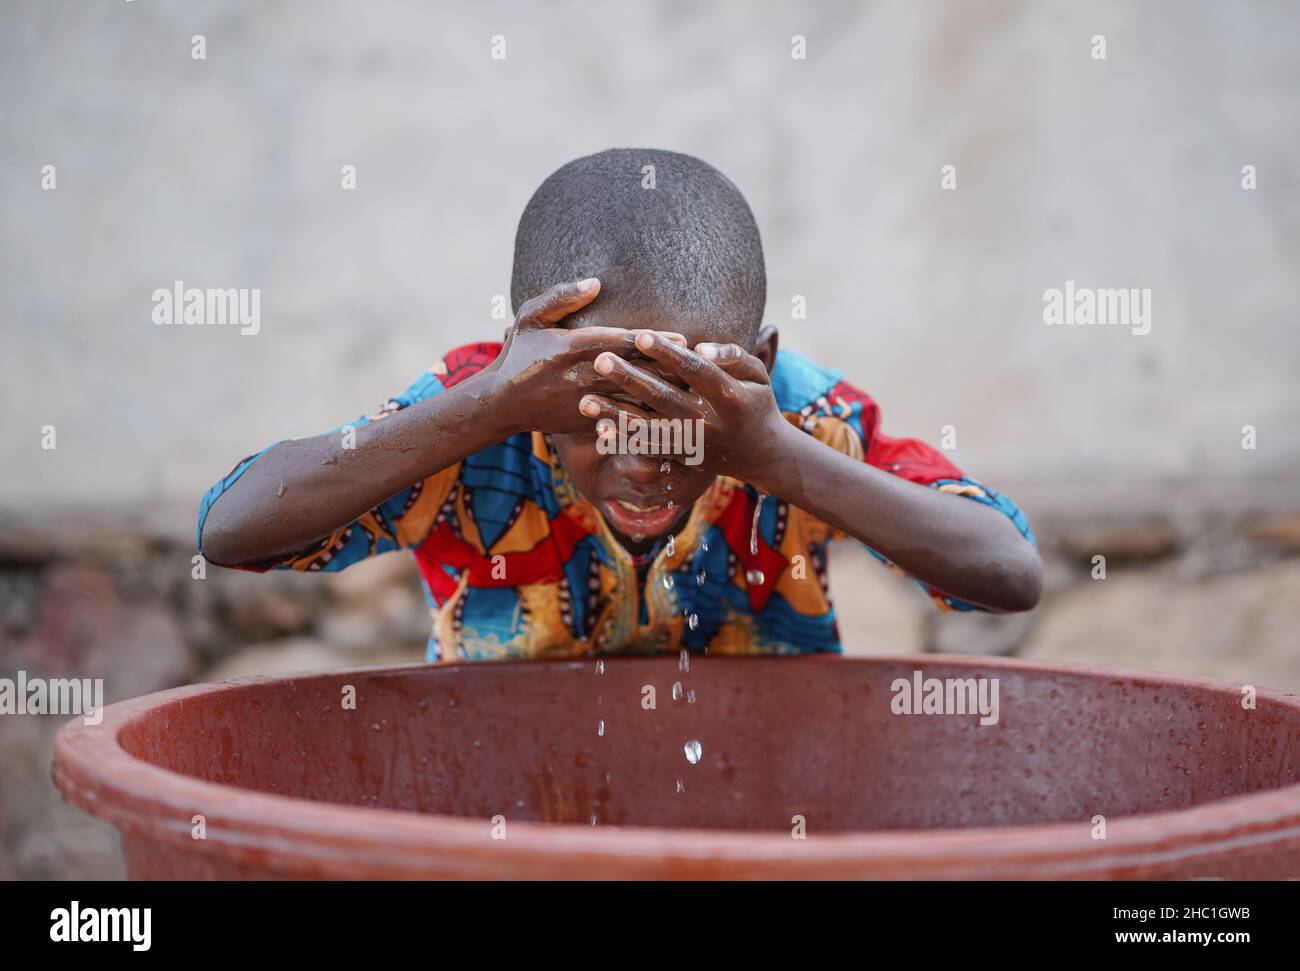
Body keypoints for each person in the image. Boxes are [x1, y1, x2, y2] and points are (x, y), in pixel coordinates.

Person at [198, 148, 1041, 661]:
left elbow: (1006, 573)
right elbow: (231, 529)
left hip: (758, 825)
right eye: (595, 419)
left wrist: (772, 455)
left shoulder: (796, 418)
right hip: (505, 823)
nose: (638, 464)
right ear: (525, 359)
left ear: (758, 364)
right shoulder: (479, 409)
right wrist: (485, 407)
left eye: (678, 417)